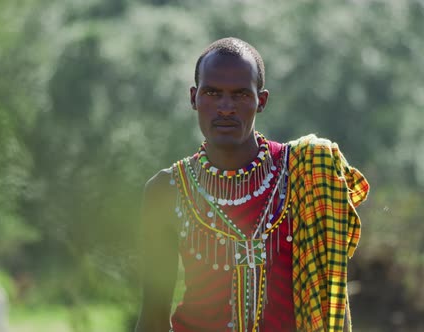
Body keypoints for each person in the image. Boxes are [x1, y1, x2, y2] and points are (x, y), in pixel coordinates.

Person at [135, 37, 369, 332]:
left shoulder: (304, 173)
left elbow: (329, 291)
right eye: (212, 92)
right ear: (194, 98)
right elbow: (153, 317)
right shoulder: (166, 190)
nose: (226, 107)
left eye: (241, 94)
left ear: (262, 101)